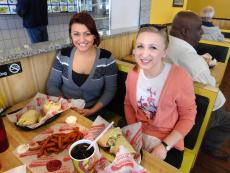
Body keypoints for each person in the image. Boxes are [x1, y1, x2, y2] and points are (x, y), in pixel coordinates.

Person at [124, 26, 196, 168]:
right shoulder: (133, 74)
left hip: (168, 142)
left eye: (153, 48)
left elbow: (188, 117)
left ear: (164, 52)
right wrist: (134, 133)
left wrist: (164, 146)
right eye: (140, 46)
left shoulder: (180, 77)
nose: (144, 54)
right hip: (138, 134)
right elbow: (128, 105)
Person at [168, 11, 230, 161]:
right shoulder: (192, 60)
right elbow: (215, 100)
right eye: (199, 28)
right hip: (188, 114)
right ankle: (209, 144)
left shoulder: (161, 43)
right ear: (184, 31)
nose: (202, 32)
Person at [46, 12, 117, 120]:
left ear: (94, 35)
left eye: (87, 34)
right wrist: (65, 105)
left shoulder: (106, 58)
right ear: (71, 35)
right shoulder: (63, 55)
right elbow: (52, 84)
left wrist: (92, 111)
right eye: (76, 34)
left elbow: (110, 90)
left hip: (94, 113)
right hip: (64, 111)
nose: (82, 39)